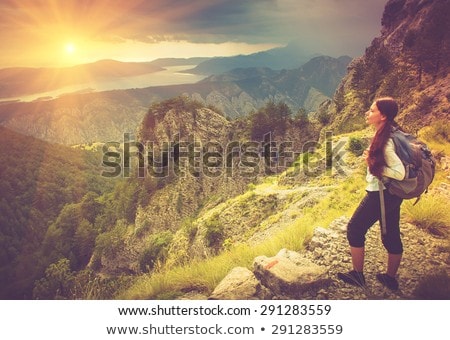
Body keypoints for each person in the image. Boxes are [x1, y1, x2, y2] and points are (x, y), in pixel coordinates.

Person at [337, 97, 406, 290]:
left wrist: (375, 166)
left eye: (372, 110)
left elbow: (399, 172)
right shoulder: (391, 132)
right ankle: (390, 278)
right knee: (390, 233)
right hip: (392, 194)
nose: (367, 113)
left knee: (354, 229)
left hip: (380, 194)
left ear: (383, 116)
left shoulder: (387, 141)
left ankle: (358, 276)